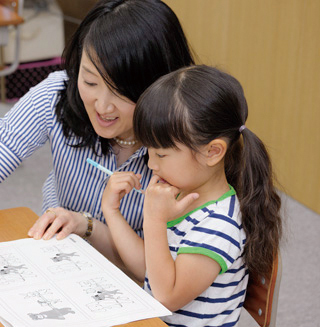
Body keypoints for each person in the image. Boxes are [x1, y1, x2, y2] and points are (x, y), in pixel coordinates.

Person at [0, 0, 194, 270]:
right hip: (59, 266)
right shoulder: (58, 94)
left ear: (160, 84)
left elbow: (162, 274)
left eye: (122, 92)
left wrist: (86, 226)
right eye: (90, 81)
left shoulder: (187, 142)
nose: (102, 106)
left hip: (138, 290)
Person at [101, 65, 283, 326]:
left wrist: (154, 220)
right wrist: (112, 211)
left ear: (212, 152)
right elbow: (151, 271)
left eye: (161, 154)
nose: (151, 164)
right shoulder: (182, 194)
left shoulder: (220, 226)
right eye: (149, 151)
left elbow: (166, 298)